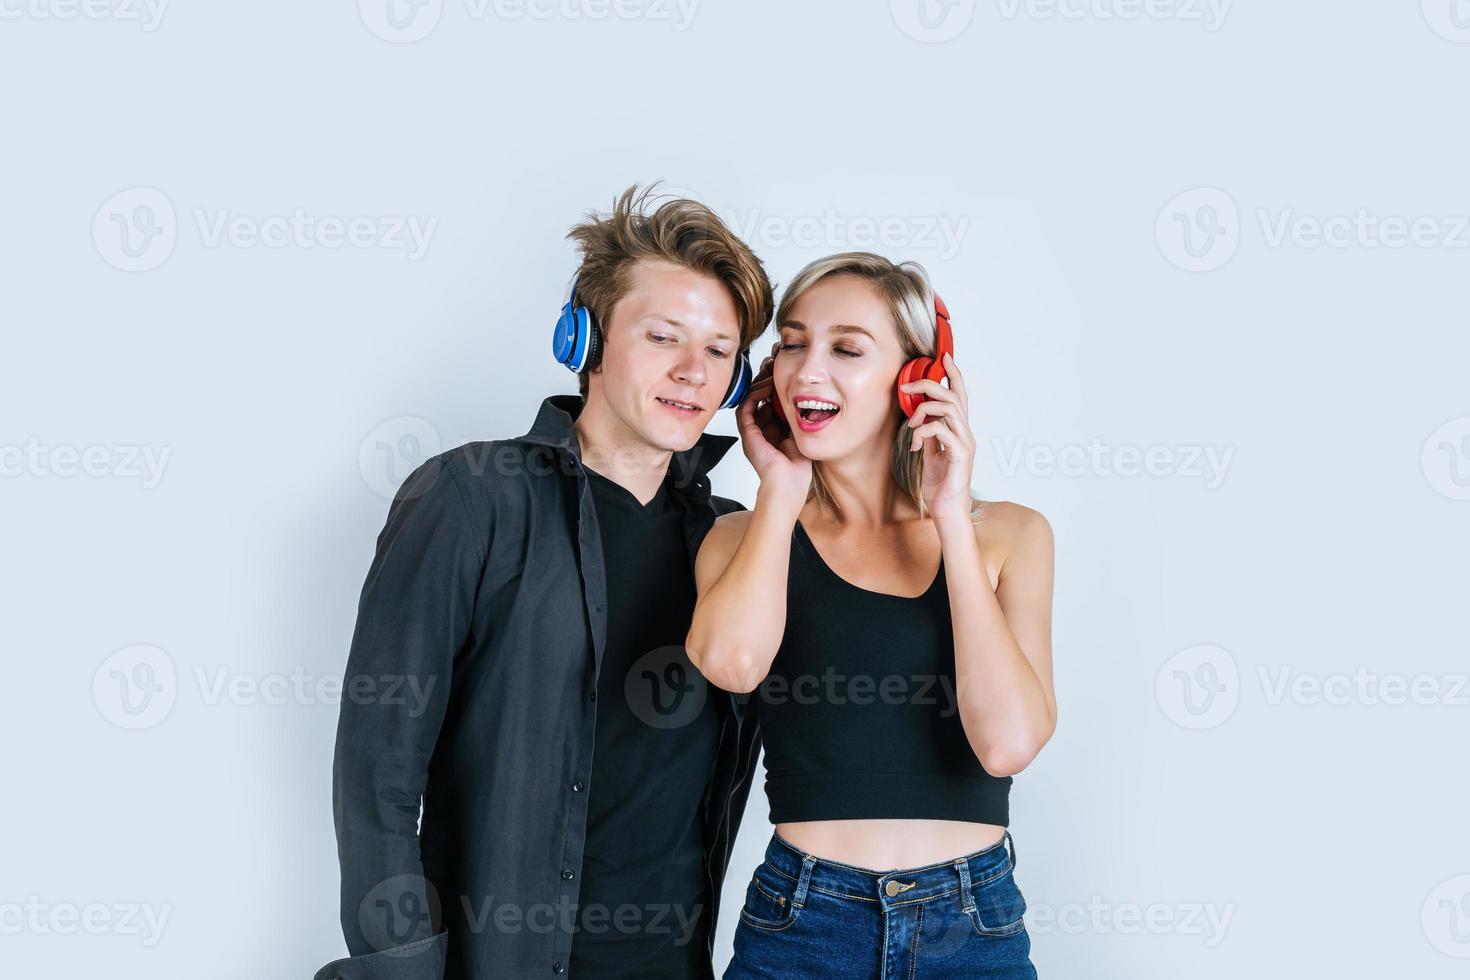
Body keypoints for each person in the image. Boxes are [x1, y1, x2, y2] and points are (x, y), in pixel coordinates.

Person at [314, 185, 775, 980]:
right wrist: (397, 970)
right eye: (663, 336)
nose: (692, 372)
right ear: (585, 338)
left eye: (719, 350)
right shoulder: (471, 495)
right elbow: (378, 769)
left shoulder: (738, 540)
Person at [686, 252, 1056, 978]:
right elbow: (732, 664)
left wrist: (951, 513)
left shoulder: (1012, 534)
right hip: (802, 920)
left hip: (972, 922)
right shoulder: (740, 535)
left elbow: (1007, 743)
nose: (805, 370)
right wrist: (782, 494)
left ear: (917, 381)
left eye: (846, 349)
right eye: (792, 344)